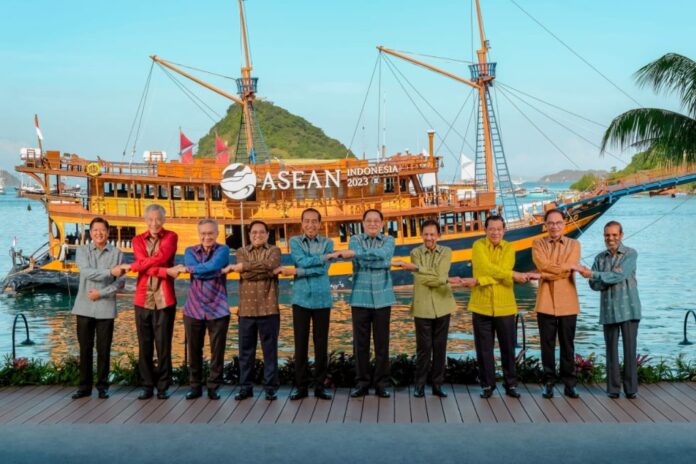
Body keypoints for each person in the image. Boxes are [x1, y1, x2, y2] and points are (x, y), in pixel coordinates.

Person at [393, 219, 476, 398]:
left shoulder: (447, 251)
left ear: (439, 235)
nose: (429, 238)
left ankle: (438, 385)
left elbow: (439, 275)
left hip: (443, 305)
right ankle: (420, 385)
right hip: (422, 306)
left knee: (440, 347)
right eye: (426, 234)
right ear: (421, 235)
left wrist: (419, 269)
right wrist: (441, 278)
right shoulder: (415, 252)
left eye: (432, 234)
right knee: (423, 348)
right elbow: (425, 279)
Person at [469, 215, 539, 399]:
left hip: (505, 306)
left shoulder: (509, 247)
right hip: (481, 305)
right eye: (491, 229)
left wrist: (481, 280)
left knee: (508, 348)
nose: (495, 232)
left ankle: (511, 384)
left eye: (499, 229)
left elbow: (496, 272)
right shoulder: (478, 246)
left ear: (504, 230)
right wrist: (512, 274)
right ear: (485, 230)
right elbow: (487, 268)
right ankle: (487, 385)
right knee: (484, 349)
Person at [276, 208, 337, 401]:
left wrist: (296, 272)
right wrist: (321, 259)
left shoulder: (329, 242)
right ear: (302, 223)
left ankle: (320, 386)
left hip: (322, 299)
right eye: (307, 221)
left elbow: (323, 270)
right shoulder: (295, 242)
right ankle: (301, 386)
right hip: (301, 299)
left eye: (314, 221)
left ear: (320, 223)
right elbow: (300, 260)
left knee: (321, 344)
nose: (310, 225)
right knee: (300, 344)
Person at [118, 204, 178, 400]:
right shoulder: (137, 240)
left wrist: (134, 266)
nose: (154, 223)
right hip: (142, 298)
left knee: (163, 344)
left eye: (158, 219)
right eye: (150, 219)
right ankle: (146, 385)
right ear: (145, 220)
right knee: (144, 344)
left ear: (164, 219)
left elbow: (160, 257)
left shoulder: (171, 237)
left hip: (165, 298)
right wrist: (165, 271)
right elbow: (149, 265)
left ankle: (163, 386)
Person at [168, 219, 230, 400]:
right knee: (194, 350)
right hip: (193, 309)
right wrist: (216, 272)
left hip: (218, 307)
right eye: (203, 233)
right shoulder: (189, 251)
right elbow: (209, 270)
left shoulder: (223, 250)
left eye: (210, 233)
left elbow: (210, 267)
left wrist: (194, 270)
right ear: (199, 234)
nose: (207, 236)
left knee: (217, 351)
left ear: (217, 233)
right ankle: (195, 386)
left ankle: (213, 386)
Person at [341, 209, 396, 398]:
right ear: (363, 223)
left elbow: (383, 256)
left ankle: (381, 384)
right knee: (361, 344)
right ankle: (362, 383)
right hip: (360, 298)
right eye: (369, 221)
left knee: (382, 344)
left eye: (376, 221)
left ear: (382, 223)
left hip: (383, 298)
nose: (372, 224)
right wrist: (381, 260)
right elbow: (381, 259)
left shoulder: (389, 240)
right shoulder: (355, 240)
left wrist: (363, 256)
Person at [585, 221, 642, 399]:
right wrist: (606, 277)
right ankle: (613, 389)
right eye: (607, 235)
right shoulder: (599, 258)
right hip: (608, 309)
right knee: (611, 351)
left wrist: (598, 275)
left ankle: (631, 389)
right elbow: (593, 285)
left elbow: (619, 275)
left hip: (629, 309)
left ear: (621, 235)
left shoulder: (630, 254)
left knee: (629, 350)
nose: (611, 238)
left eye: (614, 235)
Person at [227, 220, 281, 401]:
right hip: (246, 311)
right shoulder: (241, 252)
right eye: (254, 233)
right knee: (245, 352)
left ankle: (270, 388)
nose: (257, 235)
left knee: (270, 351)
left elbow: (271, 266)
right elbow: (250, 273)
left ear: (267, 234)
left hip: (269, 308)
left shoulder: (274, 250)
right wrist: (264, 270)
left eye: (261, 232)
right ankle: (245, 388)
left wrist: (246, 267)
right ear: (249, 235)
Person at [71, 217, 125, 399]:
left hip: (106, 307)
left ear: (108, 232)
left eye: (102, 230)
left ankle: (103, 386)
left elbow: (121, 282)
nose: (99, 233)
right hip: (83, 307)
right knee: (85, 348)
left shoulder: (117, 253)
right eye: (95, 230)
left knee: (104, 349)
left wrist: (100, 293)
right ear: (90, 232)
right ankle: (84, 387)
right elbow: (86, 272)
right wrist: (110, 272)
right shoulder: (82, 251)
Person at [532, 208, 582, 399]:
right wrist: (561, 268)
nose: (554, 226)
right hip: (545, 301)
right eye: (550, 223)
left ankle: (570, 384)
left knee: (568, 345)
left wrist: (547, 273)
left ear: (564, 224)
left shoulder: (574, 244)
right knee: (547, 345)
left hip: (568, 301)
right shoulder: (538, 243)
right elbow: (542, 265)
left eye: (558, 223)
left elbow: (571, 266)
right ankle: (549, 382)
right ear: (545, 225)